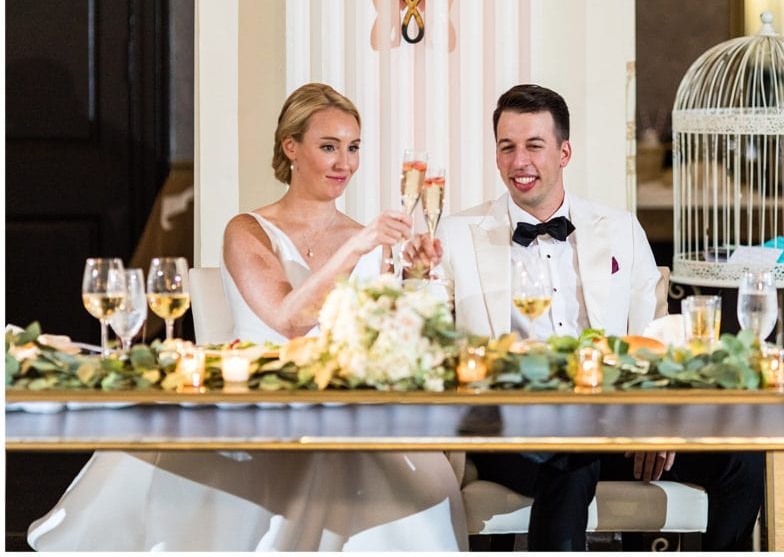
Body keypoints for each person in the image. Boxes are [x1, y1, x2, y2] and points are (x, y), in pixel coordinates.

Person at [27, 83, 469, 552]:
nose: (345, 163)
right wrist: (357, 248)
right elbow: (288, 318)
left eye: (353, 148)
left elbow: (382, 336)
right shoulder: (248, 230)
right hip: (254, 404)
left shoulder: (370, 239)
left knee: (422, 487)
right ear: (291, 147)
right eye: (329, 147)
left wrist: (416, 274)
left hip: (344, 408)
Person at [426, 84, 764, 551]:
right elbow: (428, 329)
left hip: (621, 424)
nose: (519, 161)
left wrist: (656, 421)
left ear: (564, 152)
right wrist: (411, 273)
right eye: (507, 147)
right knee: (574, 455)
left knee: (743, 462)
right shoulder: (459, 234)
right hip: (514, 429)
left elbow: (655, 335)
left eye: (534, 145)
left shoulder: (620, 227)